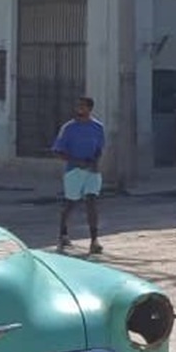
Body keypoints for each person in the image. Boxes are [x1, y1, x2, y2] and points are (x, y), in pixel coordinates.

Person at [52, 96, 106, 254]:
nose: (79, 109)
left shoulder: (98, 127)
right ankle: (63, 233)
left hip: (92, 170)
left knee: (92, 202)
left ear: (90, 108)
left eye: (83, 106)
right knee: (71, 203)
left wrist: (95, 161)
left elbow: (100, 148)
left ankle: (94, 240)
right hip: (74, 170)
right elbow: (57, 150)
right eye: (78, 106)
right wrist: (76, 162)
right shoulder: (69, 128)